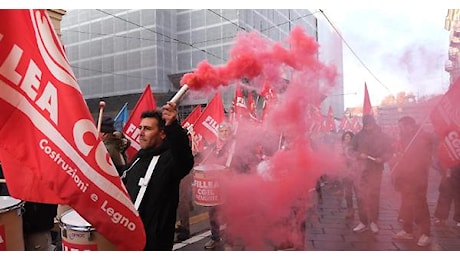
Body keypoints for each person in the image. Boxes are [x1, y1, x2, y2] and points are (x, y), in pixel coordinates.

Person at [122, 102, 194, 251]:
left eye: (147, 129)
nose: (140, 132)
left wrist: (173, 125)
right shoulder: (138, 158)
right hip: (130, 237)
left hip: (155, 243)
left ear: (162, 133)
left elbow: (184, 159)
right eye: (140, 128)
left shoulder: (170, 161)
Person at [391, 116, 433, 247]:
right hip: (405, 177)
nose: (400, 129)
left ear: (409, 126)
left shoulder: (421, 137)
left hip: (418, 177)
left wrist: (410, 157)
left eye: (401, 127)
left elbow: (425, 157)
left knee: (420, 205)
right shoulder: (404, 138)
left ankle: (425, 234)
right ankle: (407, 230)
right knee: (406, 204)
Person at [351, 115, 393, 234]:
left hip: (376, 169)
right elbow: (351, 150)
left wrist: (382, 158)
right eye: (366, 124)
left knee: (374, 195)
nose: (369, 127)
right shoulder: (358, 136)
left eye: (370, 124)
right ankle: (363, 222)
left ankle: (374, 221)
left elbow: (390, 151)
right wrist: (359, 155)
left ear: (374, 123)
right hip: (361, 170)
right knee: (360, 196)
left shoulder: (383, 136)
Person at [340, 131, 357, 219]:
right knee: (348, 193)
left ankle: (363, 210)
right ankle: (350, 209)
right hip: (345, 173)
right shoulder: (341, 148)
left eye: (349, 137)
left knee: (357, 192)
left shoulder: (354, 148)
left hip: (355, 172)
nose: (347, 139)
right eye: (346, 137)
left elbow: (356, 160)